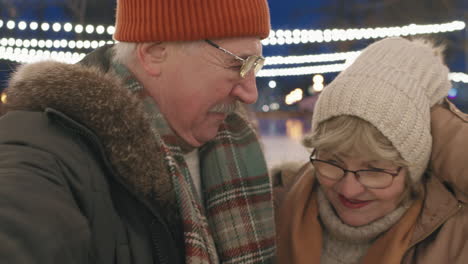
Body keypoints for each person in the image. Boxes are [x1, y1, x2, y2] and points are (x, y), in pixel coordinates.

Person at [0, 0, 276, 263]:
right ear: (154, 53)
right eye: (237, 64)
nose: (250, 94)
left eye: (254, 65)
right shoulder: (43, 152)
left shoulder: (237, 145)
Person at [274, 37, 468, 263]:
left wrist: (427, 113)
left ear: (412, 169)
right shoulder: (274, 205)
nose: (349, 190)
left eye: (374, 170)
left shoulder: (455, 237)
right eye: (334, 163)